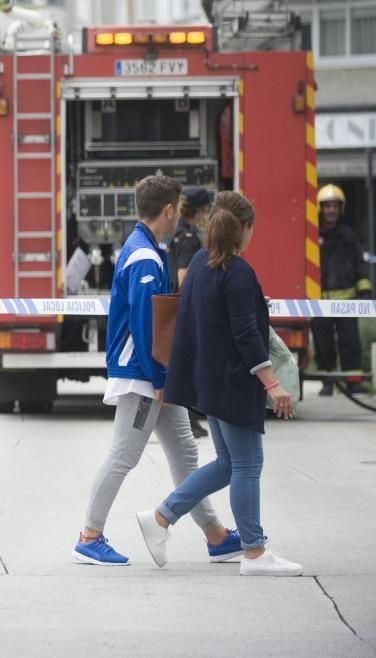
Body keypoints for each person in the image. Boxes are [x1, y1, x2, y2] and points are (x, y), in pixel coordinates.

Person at [73, 175, 240, 566]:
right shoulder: (145, 257)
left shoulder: (143, 248)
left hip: (153, 373)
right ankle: (89, 536)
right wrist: (163, 380)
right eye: (179, 210)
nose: (179, 217)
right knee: (123, 456)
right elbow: (146, 327)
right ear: (168, 210)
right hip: (146, 375)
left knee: (184, 452)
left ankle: (215, 536)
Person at [136, 191, 302, 577]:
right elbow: (245, 333)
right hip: (233, 382)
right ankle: (255, 552)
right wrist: (272, 383)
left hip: (209, 382)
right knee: (247, 464)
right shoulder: (238, 272)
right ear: (245, 229)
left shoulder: (200, 263)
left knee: (229, 464)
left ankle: (161, 516)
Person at [311, 184, 371, 396]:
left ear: (341, 208)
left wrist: (365, 289)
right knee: (323, 343)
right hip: (319, 301)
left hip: (346, 300)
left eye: (335, 206)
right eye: (327, 206)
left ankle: (353, 382)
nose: (331, 210)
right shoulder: (312, 236)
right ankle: (328, 382)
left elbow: (360, 264)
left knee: (350, 342)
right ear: (320, 208)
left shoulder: (348, 236)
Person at [168, 186, 213, 438]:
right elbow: (184, 276)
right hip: (186, 306)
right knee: (191, 365)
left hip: (178, 306)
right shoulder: (187, 237)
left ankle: (190, 419)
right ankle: (191, 420)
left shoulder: (177, 231)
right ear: (201, 210)